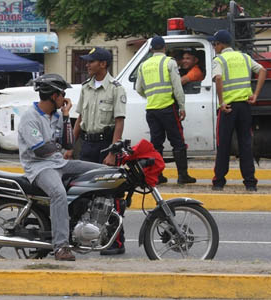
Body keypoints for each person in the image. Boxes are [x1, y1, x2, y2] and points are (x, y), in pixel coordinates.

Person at [18, 74, 103, 261]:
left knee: (101, 172)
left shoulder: (56, 115)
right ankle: (61, 247)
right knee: (58, 193)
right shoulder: (29, 117)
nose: (65, 97)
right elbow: (40, 150)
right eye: (62, 93)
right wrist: (57, 146)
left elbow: (69, 144)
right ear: (53, 96)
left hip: (60, 163)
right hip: (39, 167)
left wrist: (66, 117)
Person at [67, 47, 127, 255]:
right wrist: (70, 146)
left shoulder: (116, 88)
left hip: (106, 146)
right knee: (83, 194)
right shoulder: (86, 87)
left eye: (91, 61)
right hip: (87, 146)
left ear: (103, 64)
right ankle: (84, 237)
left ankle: (116, 242)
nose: (87, 64)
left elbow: (119, 122)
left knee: (111, 195)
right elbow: (80, 120)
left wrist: (112, 152)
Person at [210, 30, 267, 192]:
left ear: (220, 44)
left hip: (228, 108)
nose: (214, 47)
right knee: (245, 144)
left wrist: (221, 102)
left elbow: (218, 78)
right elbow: (262, 70)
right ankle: (250, 183)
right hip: (244, 107)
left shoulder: (219, 59)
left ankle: (219, 182)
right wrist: (255, 94)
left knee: (224, 145)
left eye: (215, 44)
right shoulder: (244, 57)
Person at [135, 36, 197, 185]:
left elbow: (139, 89)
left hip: (151, 109)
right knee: (178, 142)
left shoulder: (144, 65)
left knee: (156, 144)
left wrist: (151, 96)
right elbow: (177, 86)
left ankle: (158, 176)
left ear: (151, 49)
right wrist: (182, 106)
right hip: (168, 108)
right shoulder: (169, 62)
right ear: (164, 48)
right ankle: (183, 176)